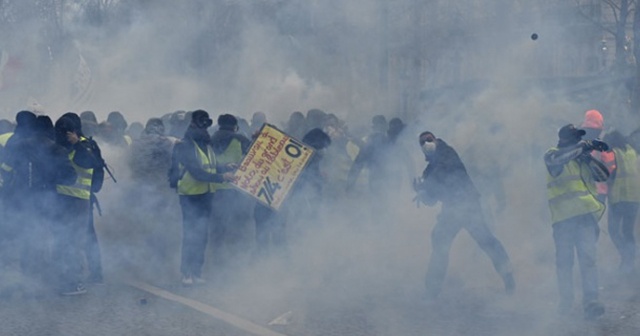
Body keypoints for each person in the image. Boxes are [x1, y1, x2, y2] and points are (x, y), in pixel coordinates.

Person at [413, 131, 515, 300]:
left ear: (436, 139)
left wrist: (425, 186)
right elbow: (432, 199)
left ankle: (509, 277)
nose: (426, 144)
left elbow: (443, 170)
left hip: (468, 205)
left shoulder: (447, 151)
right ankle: (431, 291)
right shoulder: (428, 171)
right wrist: (422, 194)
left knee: (486, 241)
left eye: (429, 140)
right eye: (422, 143)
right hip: (451, 209)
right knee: (439, 241)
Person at [544, 124, 609, 319]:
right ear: (565, 139)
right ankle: (566, 302)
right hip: (563, 220)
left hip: (585, 218)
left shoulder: (581, 157)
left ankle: (591, 302)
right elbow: (558, 161)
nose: (578, 140)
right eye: (576, 137)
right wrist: (584, 147)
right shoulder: (551, 154)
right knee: (564, 263)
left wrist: (587, 158)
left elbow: (604, 176)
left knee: (588, 260)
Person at [171, 110, 234, 285]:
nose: (205, 128)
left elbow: (211, 165)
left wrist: (224, 167)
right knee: (191, 234)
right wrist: (222, 177)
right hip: (190, 196)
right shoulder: (186, 145)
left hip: (206, 194)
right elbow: (197, 172)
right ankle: (186, 273)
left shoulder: (206, 145)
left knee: (202, 234)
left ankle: (197, 272)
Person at [209, 114, 252, 272]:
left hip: (213, 189)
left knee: (217, 227)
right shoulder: (240, 139)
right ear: (235, 126)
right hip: (235, 190)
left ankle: (216, 259)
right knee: (237, 226)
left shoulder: (209, 140)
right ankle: (235, 260)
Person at [602, 131, 640, 275]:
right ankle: (630, 261)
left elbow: (608, 174)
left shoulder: (613, 153)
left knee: (613, 230)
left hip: (618, 198)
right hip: (635, 198)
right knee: (628, 231)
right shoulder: (632, 151)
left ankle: (627, 258)